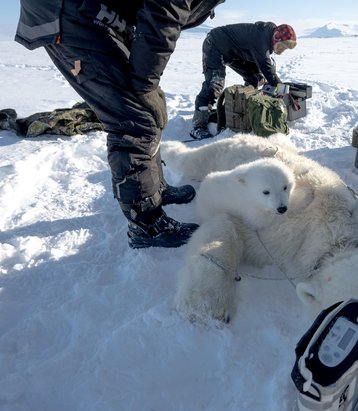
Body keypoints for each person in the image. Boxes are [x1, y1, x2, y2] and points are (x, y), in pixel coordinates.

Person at [15, 0, 226, 249]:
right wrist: (143, 85)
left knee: (151, 108)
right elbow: (164, 12)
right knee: (135, 120)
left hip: (99, 13)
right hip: (67, 12)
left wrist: (146, 87)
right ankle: (146, 224)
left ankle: (154, 190)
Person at [190, 22, 297, 139]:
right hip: (215, 45)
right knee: (214, 85)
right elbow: (268, 71)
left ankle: (240, 109)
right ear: (276, 37)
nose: (282, 50)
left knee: (255, 79)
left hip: (234, 52)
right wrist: (283, 91)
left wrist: (260, 76)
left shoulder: (265, 39)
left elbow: (260, 63)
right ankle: (198, 125)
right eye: (282, 46)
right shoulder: (261, 39)